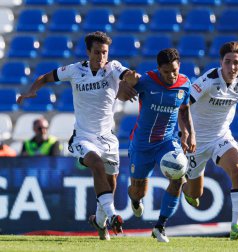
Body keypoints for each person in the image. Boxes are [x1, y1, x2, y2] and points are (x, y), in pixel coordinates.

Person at [17, 31, 129, 240]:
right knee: (95, 164)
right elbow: (46, 77)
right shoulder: (75, 70)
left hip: (108, 138)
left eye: (104, 53)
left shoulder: (113, 68)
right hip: (83, 137)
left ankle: (99, 221)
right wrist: (32, 91)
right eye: (97, 52)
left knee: (111, 184)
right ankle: (113, 216)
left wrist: (130, 84)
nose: (101, 57)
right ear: (88, 52)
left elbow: (128, 76)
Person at [182, 41, 238, 240]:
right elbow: (183, 106)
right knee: (195, 194)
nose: (232, 67)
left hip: (221, 137)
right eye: (227, 62)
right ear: (220, 63)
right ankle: (185, 187)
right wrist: (187, 133)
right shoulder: (208, 81)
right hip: (196, 142)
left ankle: (235, 227)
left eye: (236, 63)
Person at [119, 48, 196, 243]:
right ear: (158, 69)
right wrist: (123, 87)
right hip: (142, 145)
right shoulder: (146, 81)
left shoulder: (185, 84)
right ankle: (135, 199)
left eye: (175, 70)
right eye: (166, 72)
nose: (171, 75)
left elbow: (184, 109)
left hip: (167, 141)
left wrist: (189, 133)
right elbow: (121, 94)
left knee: (178, 175)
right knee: (138, 191)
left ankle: (160, 226)